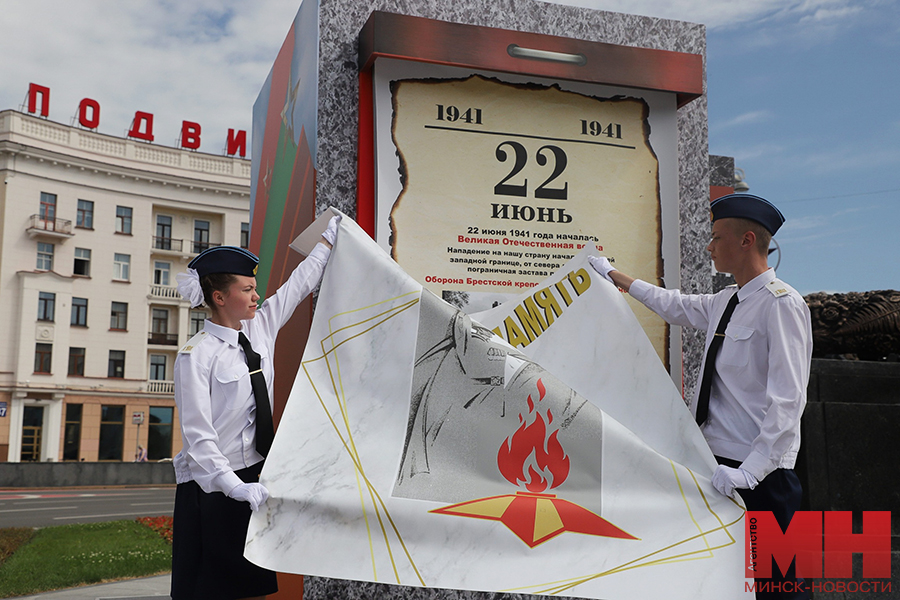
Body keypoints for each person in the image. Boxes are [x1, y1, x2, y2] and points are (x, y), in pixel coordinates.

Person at [589, 193, 812, 600]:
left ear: (746, 241)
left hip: (761, 475)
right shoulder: (728, 301)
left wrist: (751, 471)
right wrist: (614, 275)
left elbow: (788, 399)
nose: (709, 246)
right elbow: (674, 305)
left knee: (777, 586)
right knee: (724, 581)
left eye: (716, 237)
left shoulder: (782, 305)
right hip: (717, 465)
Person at [170, 216, 339, 600]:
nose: (256, 296)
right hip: (213, 489)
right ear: (219, 297)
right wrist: (234, 487)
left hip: (255, 477)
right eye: (246, 289)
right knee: (210, 591)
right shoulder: (195, 357)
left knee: (253, 587)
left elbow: (297, 287)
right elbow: (198, 438)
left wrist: (327, 242)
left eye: (255, 288)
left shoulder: (259, 328)